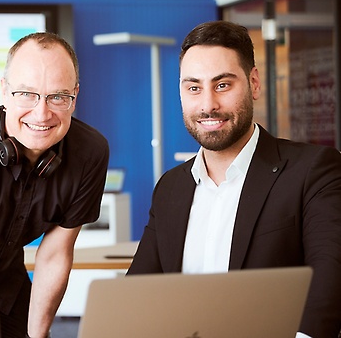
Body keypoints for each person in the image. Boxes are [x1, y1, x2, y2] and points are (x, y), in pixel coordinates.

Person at [127, 20, 341, 338]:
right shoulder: (171, 187)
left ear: (254, 84)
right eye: (194, 87)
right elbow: (138, 292)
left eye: (223, 85)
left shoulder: (313, 170)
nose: (208, 104)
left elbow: (329, 279)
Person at [0, 32, 110, 338]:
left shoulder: (90, 153)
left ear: (74, 97)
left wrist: (38, 336)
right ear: (4, 91)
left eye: (58, 96)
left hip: (7, 287)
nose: (42, 113)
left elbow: (54, 254)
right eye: (26, 94)